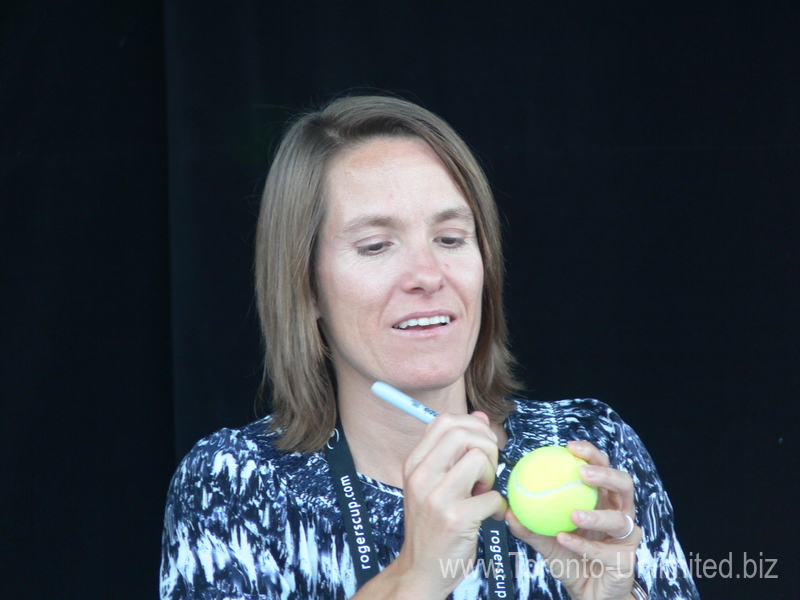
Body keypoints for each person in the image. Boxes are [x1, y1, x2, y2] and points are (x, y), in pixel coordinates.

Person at [160, 95, 700, 600]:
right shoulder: (234, 485)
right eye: (375, 246)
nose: (427, 274)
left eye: (450, 239)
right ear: (307, 287)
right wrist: (414, 576)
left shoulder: (593, 446)